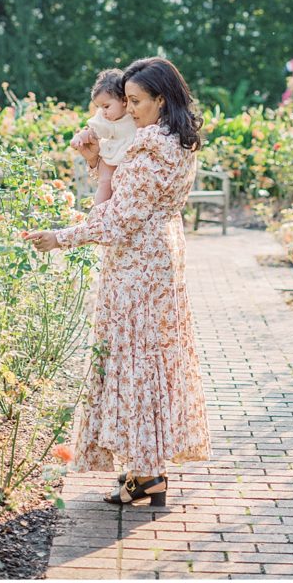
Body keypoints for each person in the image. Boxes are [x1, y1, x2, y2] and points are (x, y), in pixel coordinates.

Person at [26, 56, 211, 507]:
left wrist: (61, 238)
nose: (128, 110)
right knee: (148, 361)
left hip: (138, 266)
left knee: (136, 360)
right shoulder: (174, 141)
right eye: (125, 101)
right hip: (157, 255)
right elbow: (127, 199)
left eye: (136, 102)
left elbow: (120, 218)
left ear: (161, 100)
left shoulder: (150, 148)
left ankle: (146, 473)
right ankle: (146, 472)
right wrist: (97, 161)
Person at [70, 68, 136, 204]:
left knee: (126, 188)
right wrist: (79, 138)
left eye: (106, 106)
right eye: (100, 107)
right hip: (111, 154)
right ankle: (98, 215)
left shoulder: (134, 114)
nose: (103, 112)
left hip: (129, 157)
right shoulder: (103, 117)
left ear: (124, 100)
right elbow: (92, 131)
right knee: (105, 182)